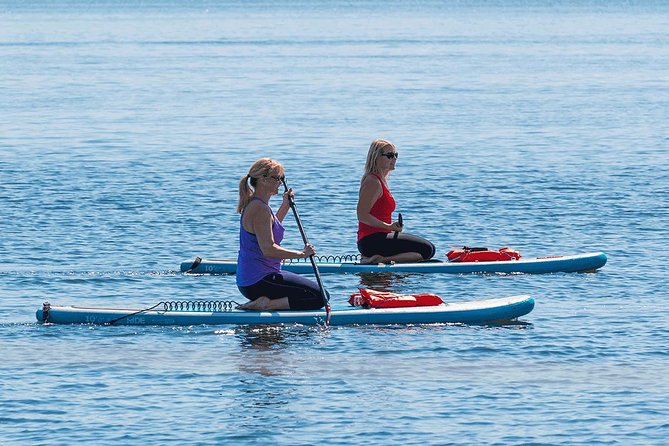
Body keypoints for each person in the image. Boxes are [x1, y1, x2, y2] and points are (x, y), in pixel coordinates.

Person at [236, 157, 327, 311]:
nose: (280, 182)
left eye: (282, 178)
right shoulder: (260, 208)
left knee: (319, 294)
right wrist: (302, 254)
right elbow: (268, 249)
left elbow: (269, 229)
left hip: (254, 279)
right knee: (320, 297)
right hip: (258, 281)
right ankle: (266, 304)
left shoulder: (258, 205)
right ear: (264, 180)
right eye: (278, 178)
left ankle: (266, 302)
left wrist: (285, 206)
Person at [356, 139, 436, 264]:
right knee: (427, 250)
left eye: (395, 155)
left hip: (381, 236)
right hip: (370, 241)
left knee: (427, 251)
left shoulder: (381, 180)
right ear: (376, 157)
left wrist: (392, 227)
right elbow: (362, 215)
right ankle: (378, 260)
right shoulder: (372, 182)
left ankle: (379, 259)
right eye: (389, 155)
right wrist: (388, 226)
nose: (394, 159)